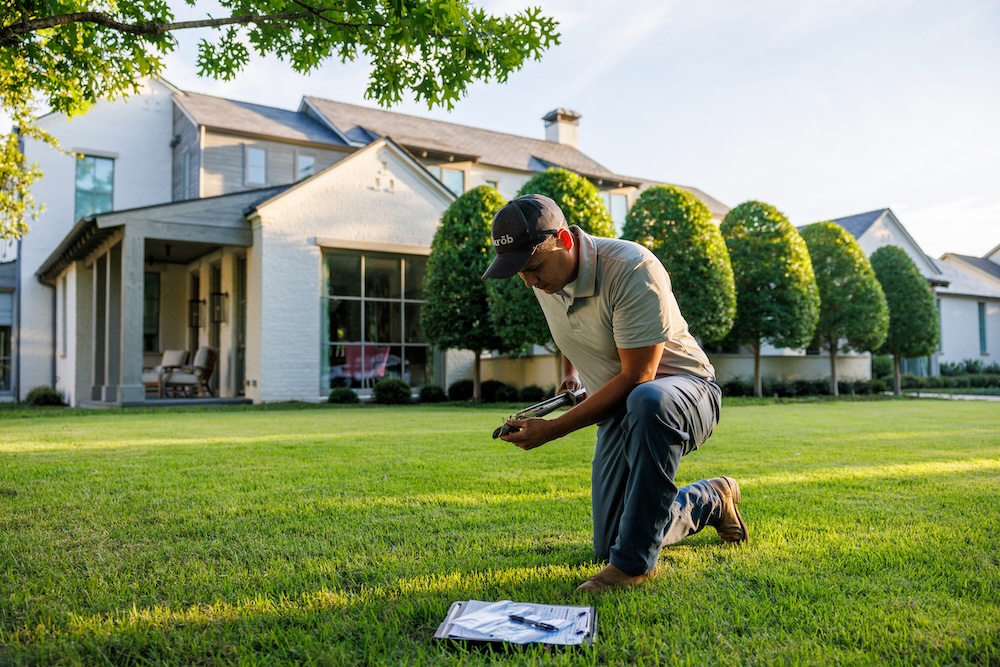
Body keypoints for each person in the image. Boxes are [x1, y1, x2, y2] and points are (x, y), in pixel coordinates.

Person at [482, 193, 748, 593]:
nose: (529, 281)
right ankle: (712, 499)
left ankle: (635, 567)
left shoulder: (631, 267)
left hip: (685, 395)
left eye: (533, 267)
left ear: (566, 241)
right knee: (610, 543)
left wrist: (552, 430)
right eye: (520, 272)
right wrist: (572, 373)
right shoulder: (545, 278)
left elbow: (639, 377)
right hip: (620, 405)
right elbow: (572, 328)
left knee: (647, 402)